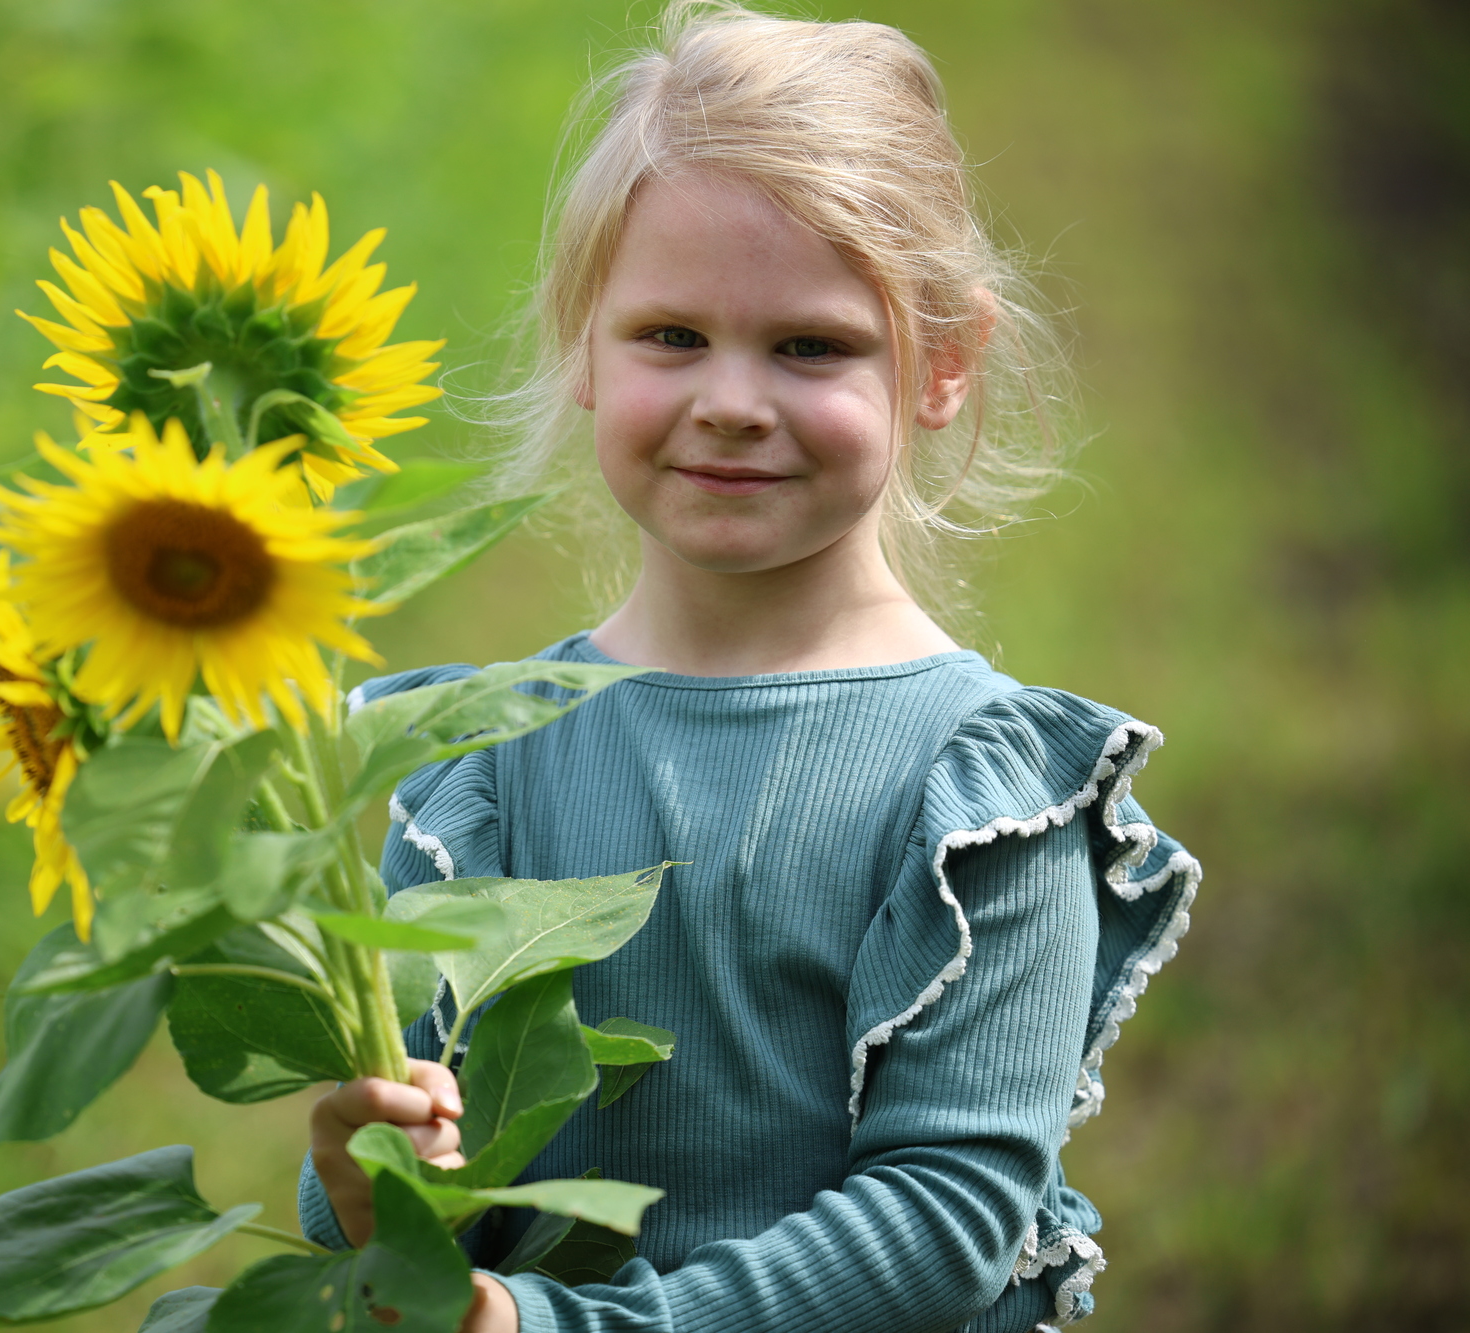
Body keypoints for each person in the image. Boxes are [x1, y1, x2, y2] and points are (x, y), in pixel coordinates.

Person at [300, 5, 1201, 1330]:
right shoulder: (484, 761)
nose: (731, 398)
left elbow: (943, 1215)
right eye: (671, 335)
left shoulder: (987, 790)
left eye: (811, 346)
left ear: (941, 363)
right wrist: (366, 1174)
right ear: (583, 348)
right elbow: (414, 1208)